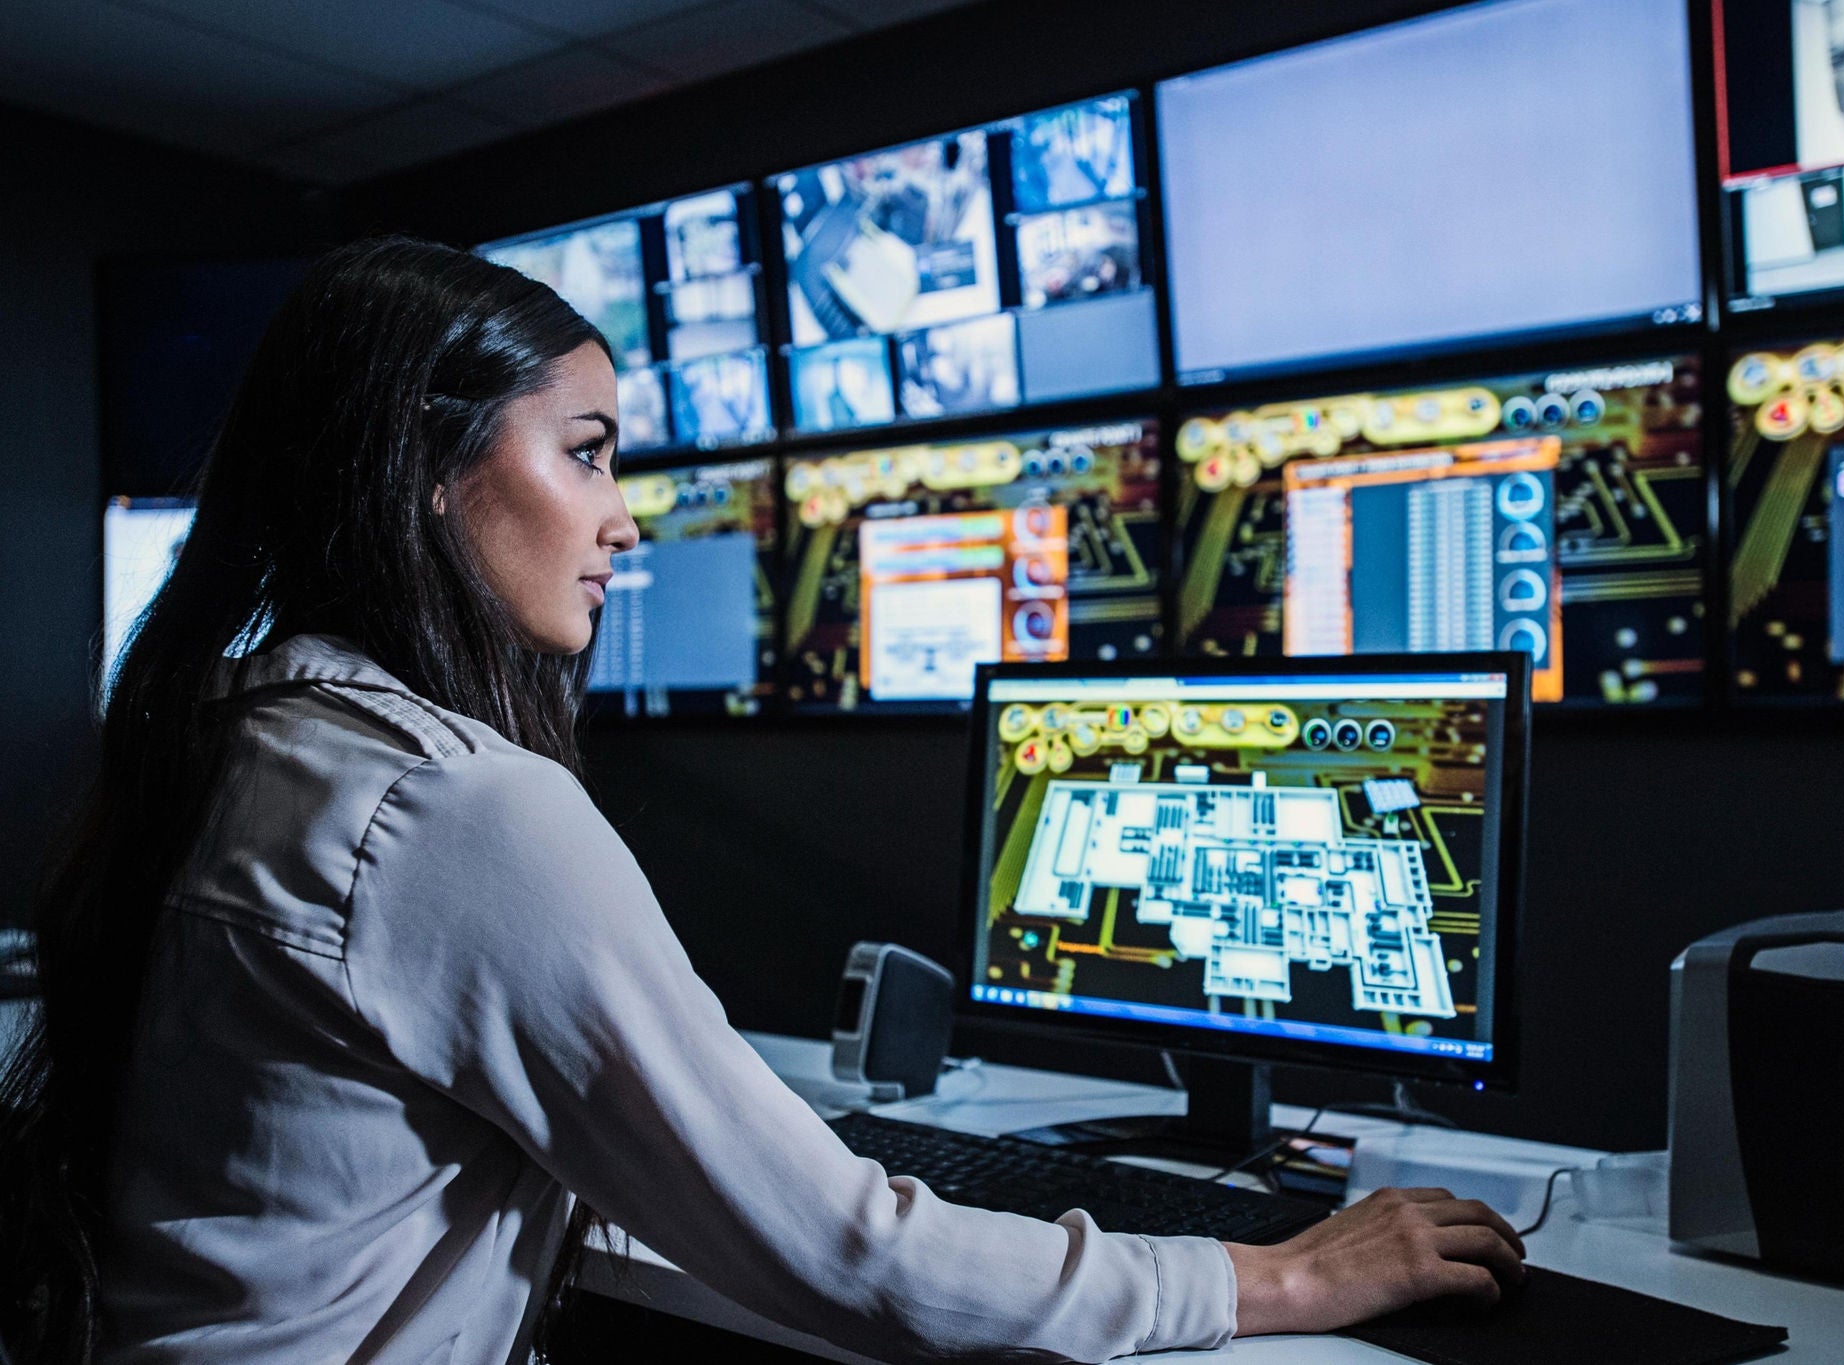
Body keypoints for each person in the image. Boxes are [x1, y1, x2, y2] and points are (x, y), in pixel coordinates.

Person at [0, 238, 1523, 1364]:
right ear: (427, 475)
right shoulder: (449, 811)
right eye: (587, 454)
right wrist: (1281, 1279)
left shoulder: (244, 737)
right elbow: (854, 1255)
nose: (621, 516)